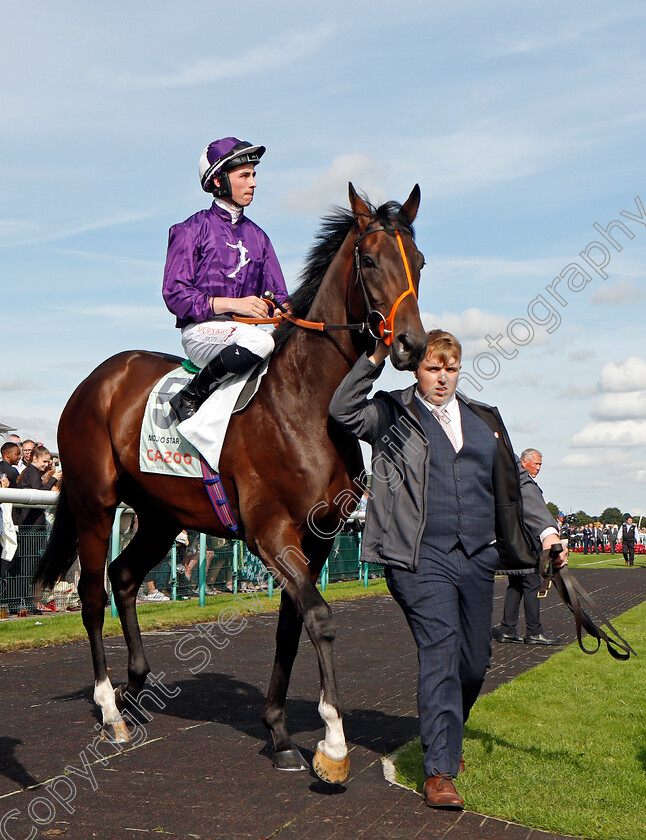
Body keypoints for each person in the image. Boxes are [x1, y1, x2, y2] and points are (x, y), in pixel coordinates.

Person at [329, 329, 567, 810]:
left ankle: (444, 733)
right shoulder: (391, 412)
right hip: (419, 557)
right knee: (440, 648)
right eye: (433, 369)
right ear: (416, 370)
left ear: (460, 370)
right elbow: (342, 410)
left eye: (450, 369)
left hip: (478, 555)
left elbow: (518, 482)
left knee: (476, 661)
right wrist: (376, 354)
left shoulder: (485, 419)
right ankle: (439, 771)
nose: (442, 378)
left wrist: (546, 533)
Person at [162, 137, 290, 422]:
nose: (253, 182)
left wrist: (286, 311)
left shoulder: (259, 237)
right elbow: (176, 296)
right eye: (244, 175)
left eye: (254, 174)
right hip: (203, 332)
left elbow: (280, 295)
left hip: (250, 332)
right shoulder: (189, 230)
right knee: (260, 344)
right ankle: (190, 396)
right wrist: (235, 305)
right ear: (219, 181)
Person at [492, 449, 562, 647]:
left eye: (540, 464)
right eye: (536, 464)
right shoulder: (524, 485)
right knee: (532, 585)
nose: (538, 468)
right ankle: (534, 631)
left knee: (515, 586)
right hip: (527, 545)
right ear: (523, 463)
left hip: (515, 546)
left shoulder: (511, 485)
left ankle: (507, 629)